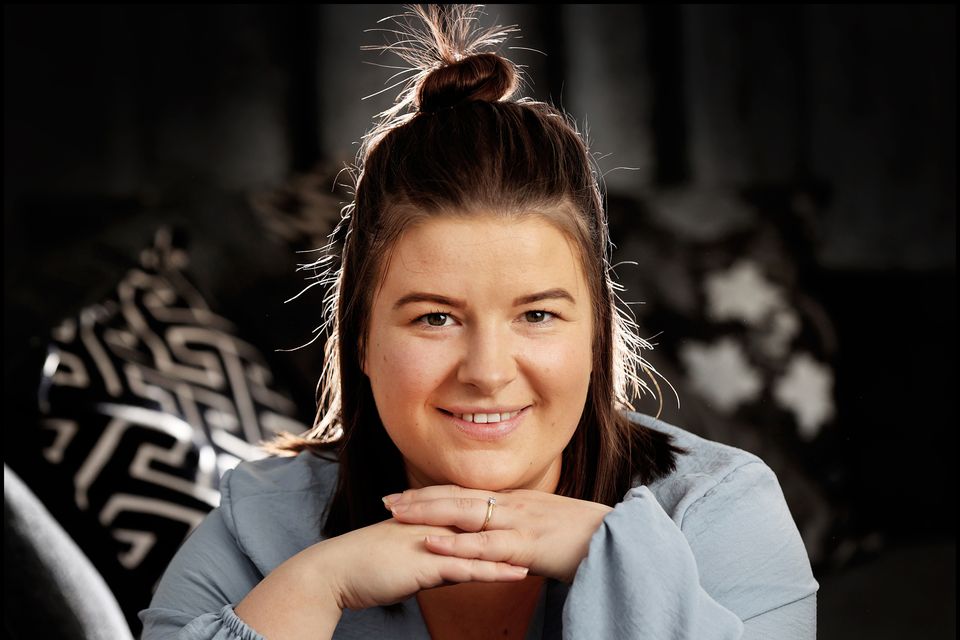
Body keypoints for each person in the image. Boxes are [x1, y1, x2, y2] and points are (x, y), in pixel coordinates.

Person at [140, 5, 818, 639]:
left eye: (537, 314)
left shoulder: (718, 513)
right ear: (362, 338)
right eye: (435, 317)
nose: (488, 373)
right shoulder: (259, 524)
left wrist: (619, 560)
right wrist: (318, 584)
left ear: (595, 334)